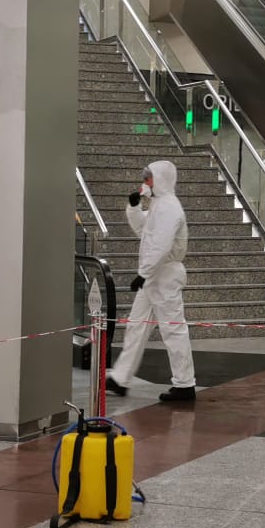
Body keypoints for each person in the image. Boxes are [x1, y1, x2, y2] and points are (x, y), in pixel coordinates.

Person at [105, 161, 196, 403]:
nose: (145, 183)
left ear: (160, 179)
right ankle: (120, 378)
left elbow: (161, 243)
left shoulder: (169, 208)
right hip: (155, 275)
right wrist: (134, 208)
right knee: (137, 325)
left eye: (149, 178)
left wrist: (144, 273)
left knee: (173, 328)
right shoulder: (159, 206)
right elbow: (145, 232)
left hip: (163, 275)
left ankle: (185, 384)